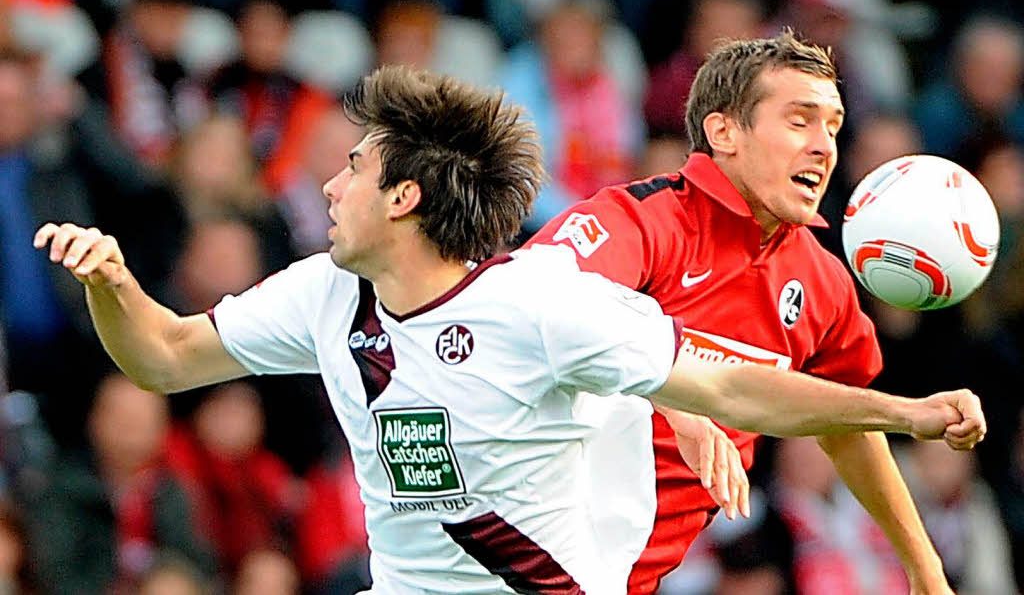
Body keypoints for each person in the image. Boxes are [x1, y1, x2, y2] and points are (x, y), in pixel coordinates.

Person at [34, 65, 984, 594]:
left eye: (352, 168)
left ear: (404, 194)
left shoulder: (536, 307)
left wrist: (902, 415)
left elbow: (733, 386)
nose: (326, 184)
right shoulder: (323, 291)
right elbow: (159, 358)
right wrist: (113, 282)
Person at [526, 29, 968, 594]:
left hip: (619, 580)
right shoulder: (643, 222)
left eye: (832, 126)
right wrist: (666, 391)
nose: (823, 146)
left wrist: (924, 570)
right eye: (799, 119)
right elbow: (533, 298)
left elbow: (846, 425)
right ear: (724, 132)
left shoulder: (823, 281)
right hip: (513, 552)